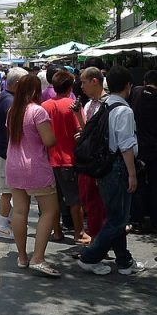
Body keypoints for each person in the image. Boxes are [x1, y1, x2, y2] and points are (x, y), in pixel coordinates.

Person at [77, 66, 144, 276]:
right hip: (118, 167)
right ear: (128, 86)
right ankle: (90, 257)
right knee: (118, 220)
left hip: (105, 166)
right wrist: (132, 173)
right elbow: (126, 145)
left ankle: (124, 261)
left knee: (116, 216)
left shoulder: (104, 106)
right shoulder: (123, 110)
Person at [4, 74, 61, 277]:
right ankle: (38, 258)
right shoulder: (38, 111)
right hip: (35, 166)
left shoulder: (12, 111)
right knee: (50, 210)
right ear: (36, 90)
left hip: (13, 165)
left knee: (20, 212)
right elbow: (49, 140)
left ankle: (22, 257)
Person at [42, 69, 88, 244]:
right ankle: (79, 232)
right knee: (74, 200)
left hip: (48, 160)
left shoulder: (44, 106)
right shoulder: (73, 105)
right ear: (70, 87)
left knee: (53, 199)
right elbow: (82, 130)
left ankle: (57, 231)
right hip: (68, 159)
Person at [129, 70, 157, 233]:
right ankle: (156, 221)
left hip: (139, 145)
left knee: (139, 184)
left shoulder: (136, 92)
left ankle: (137, 220)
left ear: (145, 81)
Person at [0, 66, 26, 241]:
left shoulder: (6, 97)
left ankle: (8, 221)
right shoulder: (9, 101)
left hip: (3, 150)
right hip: (4, 151)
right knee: (7, 191)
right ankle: (2, 226)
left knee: (10, 190)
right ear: (17, 84)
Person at [75, 66, 107, 238]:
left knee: (99, 202)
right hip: (88, 160)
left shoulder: (108, 104)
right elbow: (87, 130)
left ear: (95, 81)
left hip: (101, 161)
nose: (81, 87)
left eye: (83, 82)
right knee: (89, 200)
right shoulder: (88, 104)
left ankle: (99, 239)